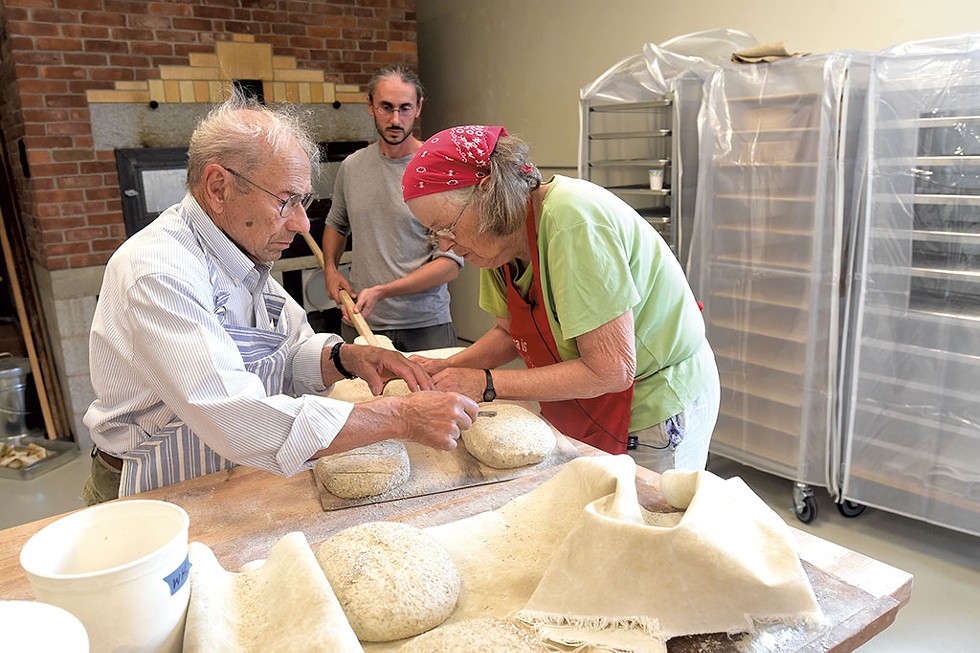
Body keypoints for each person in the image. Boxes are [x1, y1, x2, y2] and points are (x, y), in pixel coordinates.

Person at [81, 94, 478, 505]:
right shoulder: (160, 271)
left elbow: (285, 351)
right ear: (219, 188)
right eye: (287, 200)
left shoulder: (239, 250)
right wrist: (402, 416)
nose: (302, 222)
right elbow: (236, 418)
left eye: (303, 201)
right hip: (151, 487)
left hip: (219, 473)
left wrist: (348, 358)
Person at [402, 125, 720, 473]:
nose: (445, 245)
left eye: (448, 227)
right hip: (590, 399)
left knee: (646, 519)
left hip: (652, 403)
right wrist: (451, 366)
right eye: (435, 235)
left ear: (489, 195)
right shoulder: (500, 241)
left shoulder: (573, 221)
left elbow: (612, 370)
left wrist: (486, 383)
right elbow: (510, 334)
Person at [322, 65, 462, 351]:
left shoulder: (438, 170)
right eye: (386, 107)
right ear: (371, 105)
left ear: (419, 107)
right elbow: (336, 224)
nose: (396, 119)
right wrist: (330, 268)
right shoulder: (352, 167)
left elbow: (449, 266)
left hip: (426, 327)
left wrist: (382, 291)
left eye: (405, 108)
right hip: (362, 325)